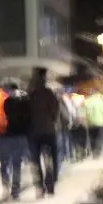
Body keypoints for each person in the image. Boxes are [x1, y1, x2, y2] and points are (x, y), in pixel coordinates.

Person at [28, 67, 63, 197]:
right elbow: (55, 111)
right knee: (51, 158)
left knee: (36, 161)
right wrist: (53, 120)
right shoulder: (48, 93)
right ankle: (50, 184)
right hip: (48, 130)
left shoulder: (30, 93)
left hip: (33, 131)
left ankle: (40, 186)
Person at [0, 80, 33, 201]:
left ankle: (8, 188)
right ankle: (14, 190)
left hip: (10, 135)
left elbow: (7, 115)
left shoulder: (7, 101)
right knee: (15, 163)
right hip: (20, 135)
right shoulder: (25, 101)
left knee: (7, 163)